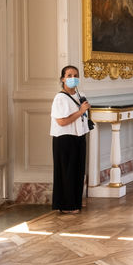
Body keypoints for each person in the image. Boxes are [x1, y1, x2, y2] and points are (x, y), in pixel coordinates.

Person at [51, 64, 92, 214]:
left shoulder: (80, 95)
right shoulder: (60, 98)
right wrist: (81, 111)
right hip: (65, 139)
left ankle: (75, 202)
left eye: (75, 75)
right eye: (69, 76)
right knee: (66, 172)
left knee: (78, 171)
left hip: (79, 136)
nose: (73, 78)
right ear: (62, 79)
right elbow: (61, 121)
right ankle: (66, 205)